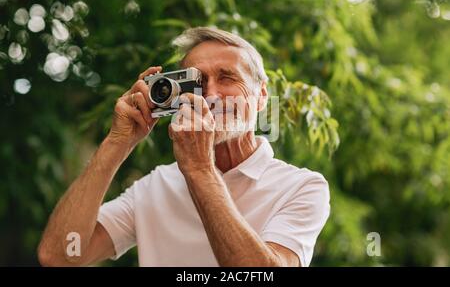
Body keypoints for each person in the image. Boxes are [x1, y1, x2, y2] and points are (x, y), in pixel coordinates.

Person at [38, 27, 330, 267]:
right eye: (198, 82)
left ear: (262, 95)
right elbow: (59, 256)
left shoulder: (302, 187)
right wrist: (117, 143)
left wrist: (200, 170)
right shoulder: (154, 186)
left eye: (227, 77)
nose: (212, 94)